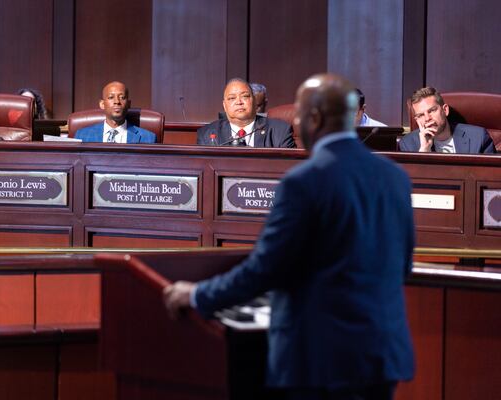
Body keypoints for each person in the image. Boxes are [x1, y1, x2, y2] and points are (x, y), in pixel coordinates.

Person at [165, 73, 415, 400]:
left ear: (314, 118)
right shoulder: (395, 177)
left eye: (299, 113)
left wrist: (197, 295)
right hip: (381, 355)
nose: (296, 121)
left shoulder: (304, 181)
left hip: (320, 359)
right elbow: (403, 266)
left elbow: (266, 268)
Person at [198, 78, 295, 148]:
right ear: (224, 105)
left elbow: (289, 170)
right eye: (232, 98)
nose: (239, 102)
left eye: (245, 96)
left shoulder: (280, 131)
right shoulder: (207, 134)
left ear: (254, 101)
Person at [399, 86, 496, 153]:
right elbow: (410, 182)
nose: (427, 118)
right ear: (416, 120)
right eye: (420, 115)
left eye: (432, 110)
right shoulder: (408, 144)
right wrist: (424, 150)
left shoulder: (478, 138)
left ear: (445, 110)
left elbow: (492, 178)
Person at [75, 81, 156, 143]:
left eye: (122, 97)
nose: (117, 101)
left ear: (128, 104)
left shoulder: (148, 138)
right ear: (102, 104)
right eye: (111, 97)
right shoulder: (82, 136)